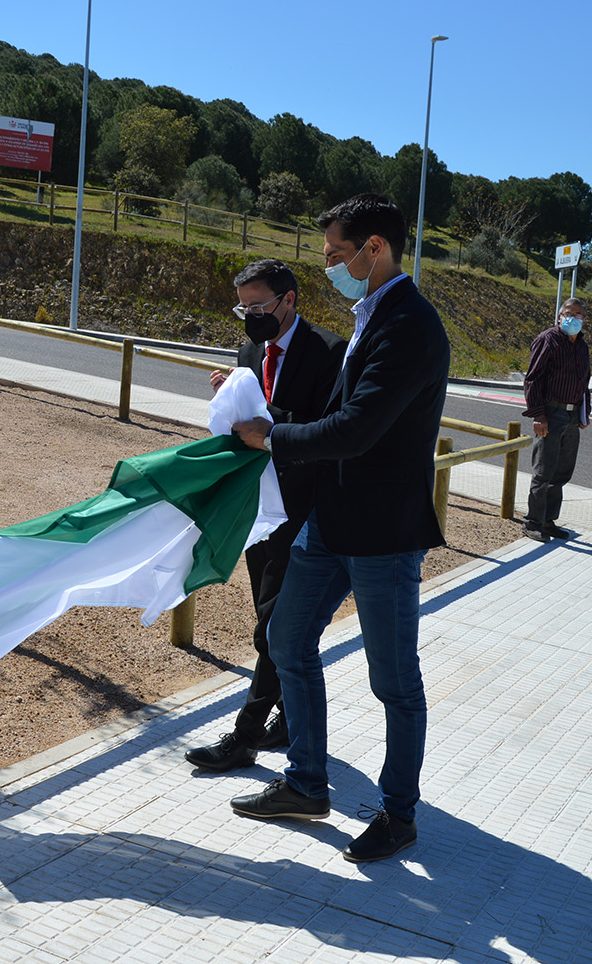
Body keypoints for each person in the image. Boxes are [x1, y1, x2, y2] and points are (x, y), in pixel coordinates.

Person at [230, 193, 449, 864]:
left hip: (383, 533)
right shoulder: (371, 314)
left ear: (374, 248)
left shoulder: (410, 325)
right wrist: (252, 402)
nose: (330, 266)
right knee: (286, 637)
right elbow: (336, 405)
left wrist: (274, 438)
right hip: (331, 520)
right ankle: (305, 782)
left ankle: (399, 814)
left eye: (335, 254)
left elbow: (357, 428)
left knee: (393, 680)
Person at [185, 259, 346, 773]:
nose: (250, 316)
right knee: (267, 620)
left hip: (304, 507)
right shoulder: (249, 350)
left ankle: (245, 737)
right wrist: (228, 395)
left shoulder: (330, 351)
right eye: (243, 307)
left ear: (289, 300)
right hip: (260, 504)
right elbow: (248, 415)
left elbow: (327, 428)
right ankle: (287, 716)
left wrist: (266, 423)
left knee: (277, 627)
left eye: (258, 306)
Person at [521, 298, 591, 542]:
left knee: (562, 472)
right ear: (560, 316)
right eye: (569, 313)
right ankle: (532, 522)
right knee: (543, 472)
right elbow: (533, 380)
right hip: (551, 413)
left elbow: (584, 382)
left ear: (584, 319)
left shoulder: (582, 346)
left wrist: (585, 411)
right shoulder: (547, 340)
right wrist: (538, 415)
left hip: (572, 416)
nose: (573, 318)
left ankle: (548, 521)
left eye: (579, 314)